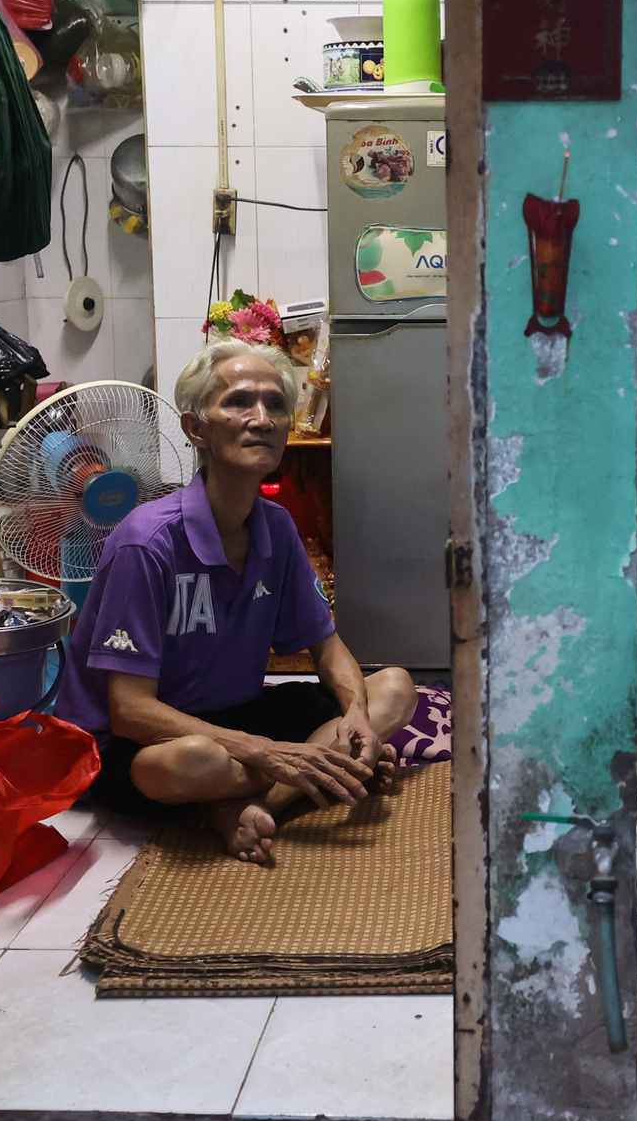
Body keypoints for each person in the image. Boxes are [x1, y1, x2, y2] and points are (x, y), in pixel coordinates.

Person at [61, 339, 417, 863]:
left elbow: (326, 646)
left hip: (236, 716)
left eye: (275, 405)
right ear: (195, 429)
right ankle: (306, 774)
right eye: (239, 402)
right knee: (195, 759)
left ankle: (250, 805)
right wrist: (264, 750)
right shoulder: (147, 542)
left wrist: (358, 718)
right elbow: (129, 712)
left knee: (394, 687)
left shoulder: (277, 527)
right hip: (137, 745)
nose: (263, 419)